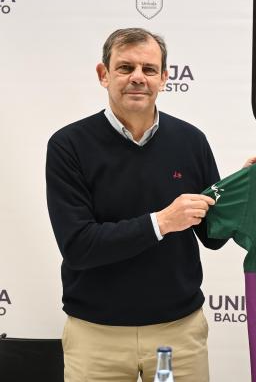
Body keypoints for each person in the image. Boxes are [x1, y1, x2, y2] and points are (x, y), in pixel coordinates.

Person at [46, 28, 224, 382]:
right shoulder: (68, 145)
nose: (138, 78)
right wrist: (161, 222)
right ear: (104, 74)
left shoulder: (191, 141)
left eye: (149, 69)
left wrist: (251, 185)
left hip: (179, 332)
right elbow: (79, 246)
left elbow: (214, 235)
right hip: (96, 337)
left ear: (165, 78)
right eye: (126, 67)